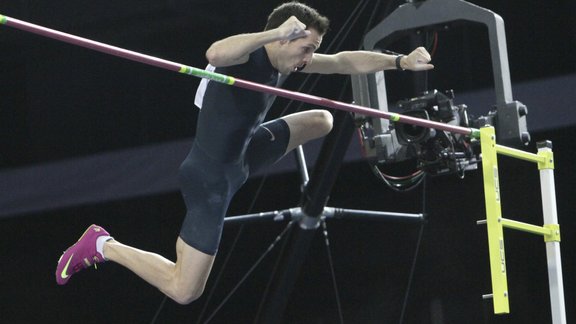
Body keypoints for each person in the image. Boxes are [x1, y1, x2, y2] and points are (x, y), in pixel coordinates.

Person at [55, 1, 433, 304]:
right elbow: (215, 52)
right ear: (285, 37)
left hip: (246, 155)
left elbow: (342, 62)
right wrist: (272, 32)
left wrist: (398, 61)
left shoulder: (287, 60)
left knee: (322, 119)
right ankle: (103, 244)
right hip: (211, 179)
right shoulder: (245, 57)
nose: (307, 59)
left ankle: (106, 243)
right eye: (305, 49)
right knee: (184, 290)